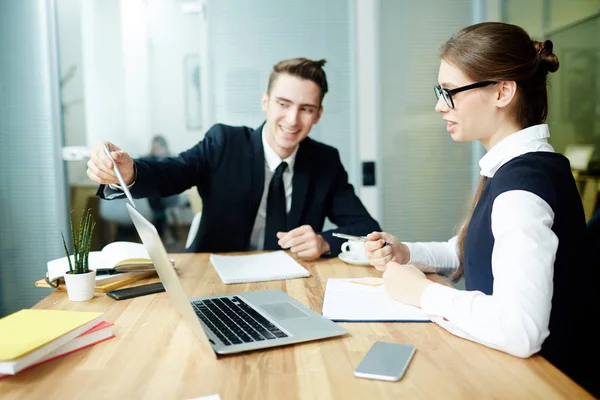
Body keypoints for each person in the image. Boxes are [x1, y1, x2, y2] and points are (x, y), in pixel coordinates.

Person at [364, 22, 597, 396]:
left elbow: (521, 330)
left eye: (451, 92)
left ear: (503, 91)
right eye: (440, 91)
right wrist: (407, 253)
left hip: (542, 384)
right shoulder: (521, 166)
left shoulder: (521, 190)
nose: (439, 105)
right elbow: (473, 249)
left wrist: (422, 293)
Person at [87, 57, 380, 260]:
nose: (292, 119)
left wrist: (325, 241)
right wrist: (129, 172)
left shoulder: (324, 161)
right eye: (283, 104)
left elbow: (365, 229)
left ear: (318, 115)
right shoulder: (224, 143)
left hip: (292, 282)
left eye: (306, 108)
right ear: (265, 102)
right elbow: (174, 171)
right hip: (215, 278)